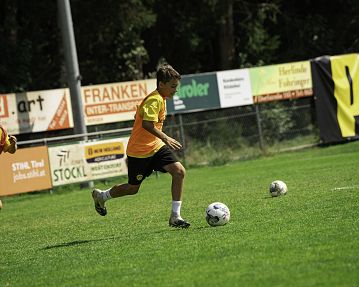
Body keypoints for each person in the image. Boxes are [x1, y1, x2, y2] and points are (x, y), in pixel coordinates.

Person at [92, 64, 190, 228]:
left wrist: (161, 140)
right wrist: (166, 137)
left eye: (176, 86)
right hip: (139, 152)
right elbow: (146, 124)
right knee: (132, 189)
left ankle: (175, 216)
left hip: (155, 147)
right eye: (173, 86)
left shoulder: (161, 98)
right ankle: (102, 196)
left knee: (179, 171)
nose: (175, 90)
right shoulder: (154, 99)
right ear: (161, 84)